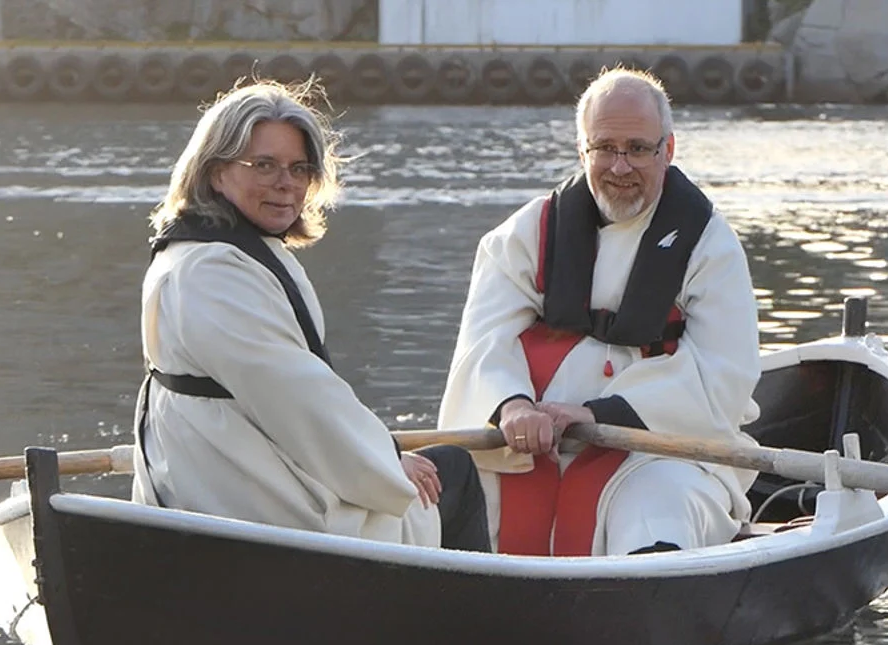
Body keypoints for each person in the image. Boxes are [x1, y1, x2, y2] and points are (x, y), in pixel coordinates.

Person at [132, 79, 489, 552]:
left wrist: (379, 451)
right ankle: (468, 620)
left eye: (299, 169)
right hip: (248, 497)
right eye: (263, 165)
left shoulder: (200, 252)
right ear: (215, 173)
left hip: (224, 471)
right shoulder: (212, 272)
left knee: (439, 467)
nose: (286, 183)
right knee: (456, 472)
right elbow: (292, 390)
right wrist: (385, 463)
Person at [438, 67, 762, 556]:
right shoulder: (526, 234)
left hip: (655, 451)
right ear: (582, 150)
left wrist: (597, 414)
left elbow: (723, 374)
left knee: (658, 510)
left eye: (637, 148)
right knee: (432, 496)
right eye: (605, 148)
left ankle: (641, 605)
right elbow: (484, 341)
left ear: (667, 151)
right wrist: (513, 406)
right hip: (528, 447)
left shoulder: (709, 246)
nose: (620, 167)